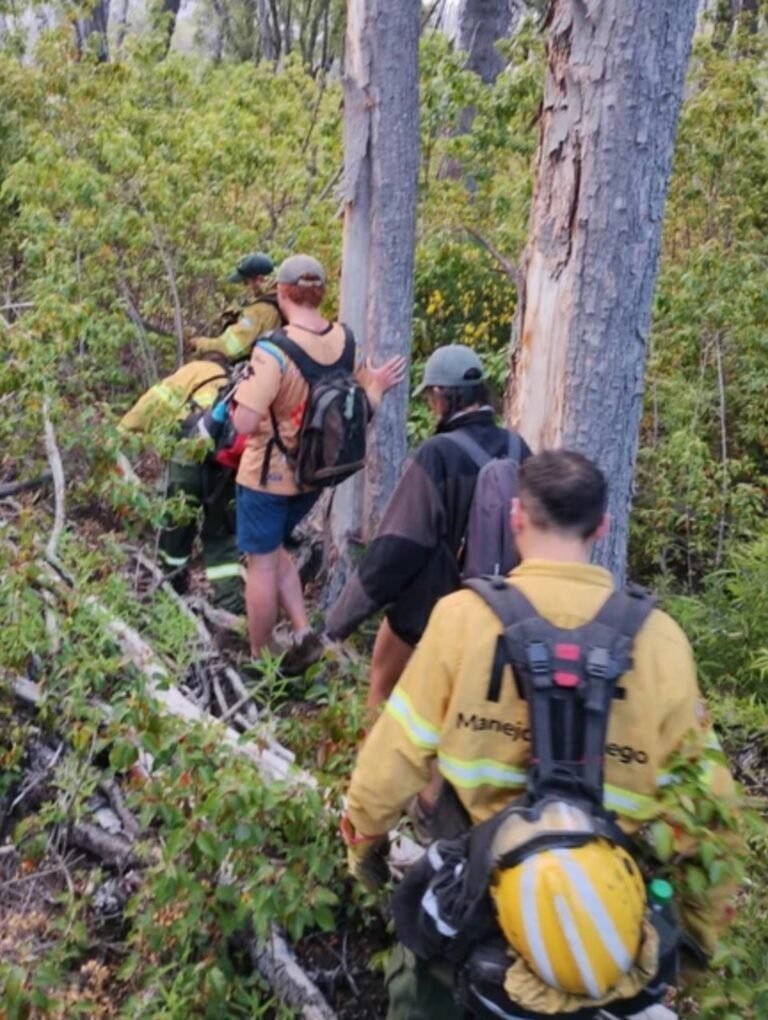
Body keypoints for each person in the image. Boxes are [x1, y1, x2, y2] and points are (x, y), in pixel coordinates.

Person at [342, 450, 739, 1019]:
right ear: (602, 527)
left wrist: (365, 841)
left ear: (516, 517)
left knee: (421, 974)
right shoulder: (660, 640)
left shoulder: (463, 618)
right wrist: (698, 932)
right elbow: (710, 804)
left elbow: (396, 752)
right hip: (605, 915)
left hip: (477, 898)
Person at [326, 344, 532, 713]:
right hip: (510, 607)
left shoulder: (438, 453)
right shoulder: (519, 449)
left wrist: (338, 622)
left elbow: (396, 548)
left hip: (437, 605)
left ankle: (375, 747)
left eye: (431, 398)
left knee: (383, 681)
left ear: (441, 395)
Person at [232, 254, 406, 672]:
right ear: (321, 293)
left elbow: (245, 422)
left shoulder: (273, 351)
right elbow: (361, 409)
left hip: (267, 478)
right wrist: (378, 386)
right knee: (275, 550)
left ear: (281, 292)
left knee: (260, 565)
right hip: (314, 477)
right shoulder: (346, 342)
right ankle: (302, 630)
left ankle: (259, 659)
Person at [118, 355, 245, 614]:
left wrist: (121, 430)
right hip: (225, 466)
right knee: (221, 537)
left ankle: (172, 588)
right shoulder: (235, 385)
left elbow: (153, 403)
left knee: (177, 525)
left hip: (188, 457)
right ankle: (231, 604)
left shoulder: (194, 371)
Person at [189, 252, 283, 363]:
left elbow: (230, 348)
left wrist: (198, 343)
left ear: (259, 280)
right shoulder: (282, 297)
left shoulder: (260, 310)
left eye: (246, 282)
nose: (246, 287)